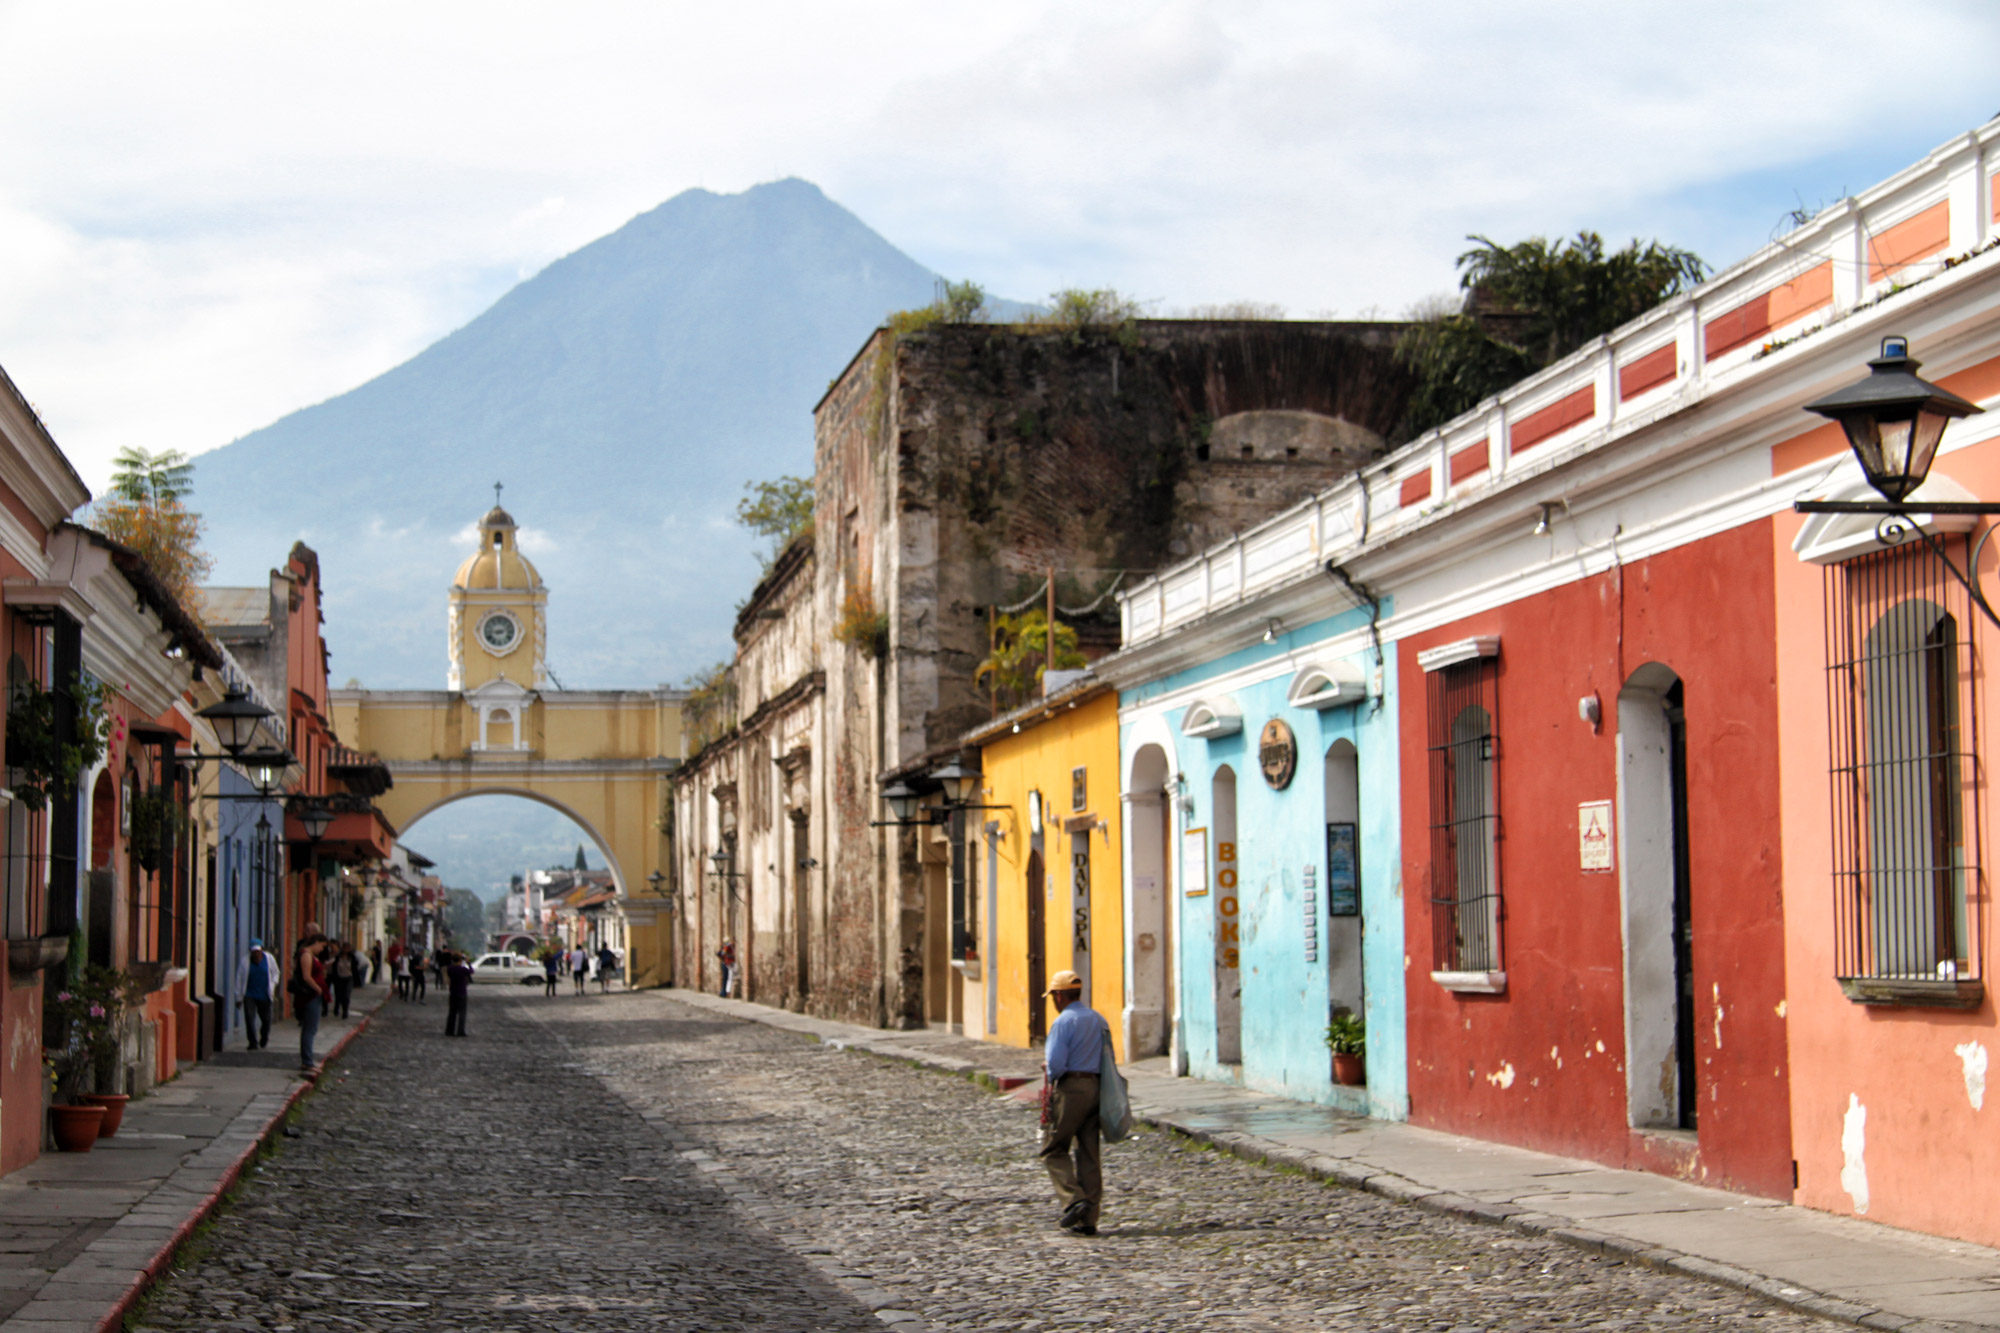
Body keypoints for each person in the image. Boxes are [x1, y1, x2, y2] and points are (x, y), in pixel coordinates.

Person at [1039, 969, 1108, 1236]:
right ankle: (1089, 1219)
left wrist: (1048, 1070)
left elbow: (1055, 1065)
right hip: (1096, 1086)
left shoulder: (1063, 1023)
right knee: (1089, 1153)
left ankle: (1073, 1200)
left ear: (1058, 996)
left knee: (1053, 1148)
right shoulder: (1097, 1019)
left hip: (1072, 1089)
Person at [291, 933, 331, 1073]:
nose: (322, 949)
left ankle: (307, 1060)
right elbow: (306, 976)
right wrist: (318, 989)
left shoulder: (311, 955)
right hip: (309, 996)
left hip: (313, 995)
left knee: (311, 1028)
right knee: (310, 1029)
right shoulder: (306, 955)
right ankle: (307, 1061)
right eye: (322, 946)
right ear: (316, 942)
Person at [234, 939, 278, 1049]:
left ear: (262, 950)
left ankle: (264, 1037)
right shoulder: (245, 961)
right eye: (254, 952)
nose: (256, 954)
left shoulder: (269, 959)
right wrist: (238, 997)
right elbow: (239, 979)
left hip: (265, 994)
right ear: (250, 952)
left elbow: (276, 973)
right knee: (249, 1018)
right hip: (250, 994)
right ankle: (252, 1042)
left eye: (258, 951)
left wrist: (273, 983)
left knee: (266, 1019)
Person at [444, 950, 473, 1037]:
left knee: (452, 1012)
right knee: (462, 1013)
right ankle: (460, 1031)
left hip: (453, 992)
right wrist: (468, 963)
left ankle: (450, 1030)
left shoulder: (450, 969)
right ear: (460, 960)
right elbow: (471, 971)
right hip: (462, 992)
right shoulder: (463, 969)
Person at [330, 941, 356, 1019]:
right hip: (339, 978)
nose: (346, 950)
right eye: (345, 948)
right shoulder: (338, 957)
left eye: (348, 948)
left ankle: (345, 1011)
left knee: (346, 996)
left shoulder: (352, 957)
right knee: (339, 995)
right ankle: (337, 1008)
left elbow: (355, 968)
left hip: (349, 978)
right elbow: (333, 966)